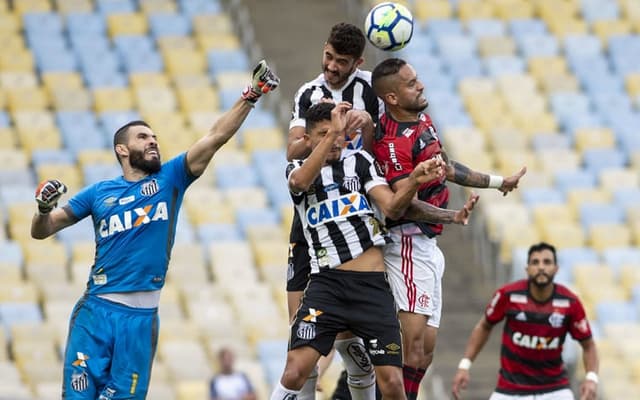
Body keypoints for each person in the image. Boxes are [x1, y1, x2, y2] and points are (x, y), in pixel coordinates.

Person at [30, 61, 279, 399]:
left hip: (141, 319)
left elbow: (215, 137)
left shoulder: (171, 178)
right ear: (122, 149)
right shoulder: (98, 193)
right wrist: (43, 209)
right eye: (143, 137)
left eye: (155, 138)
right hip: (96, 312)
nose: (152, 142)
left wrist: (252, 94)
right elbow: (41, 231)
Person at [270, 101, 478, 400]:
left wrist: (415, 181)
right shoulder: (298, 169)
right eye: (325, 133)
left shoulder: (361, 163)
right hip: (327, 286)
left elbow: (393, 206)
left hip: (372, 289)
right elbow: (299, 182)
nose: (336, 139)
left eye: (339, 133)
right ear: (309, 140)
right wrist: (334, 133)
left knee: (393, 384)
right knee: (294, 371)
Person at [369, 57, 527, 399]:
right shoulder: (394, 143)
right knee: (409, 347)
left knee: (425, 350)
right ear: (392, 98)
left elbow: (447, 167)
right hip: (408, 242)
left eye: (417, 79)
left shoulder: (421, 120)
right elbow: (402, 203)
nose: (421, 85)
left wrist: (498, 181)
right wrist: (451, 216)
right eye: (411, 84)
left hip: (428, 246)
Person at [287, 22, 384, 400]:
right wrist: (332, 131)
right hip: (311, 218)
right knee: (299, 331)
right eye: (328, 56)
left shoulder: (371, 88)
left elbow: (378, 152)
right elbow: (293, 151)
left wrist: (369, 125)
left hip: (357, 216)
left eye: (341, 62)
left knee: (352, 338)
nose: (331, 67)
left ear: (357, 62)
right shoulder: (308, 93)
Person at [451, 242, 599, 400]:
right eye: (535, 262)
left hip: (555, 389)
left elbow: (588, 345)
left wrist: (591, 378)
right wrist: (464, 365)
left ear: (556, 269)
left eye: (547, 262)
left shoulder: (570, 302)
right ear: (527, 269)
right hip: (510, 389)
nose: (541, 267)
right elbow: (484, 326)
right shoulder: (507, 295)